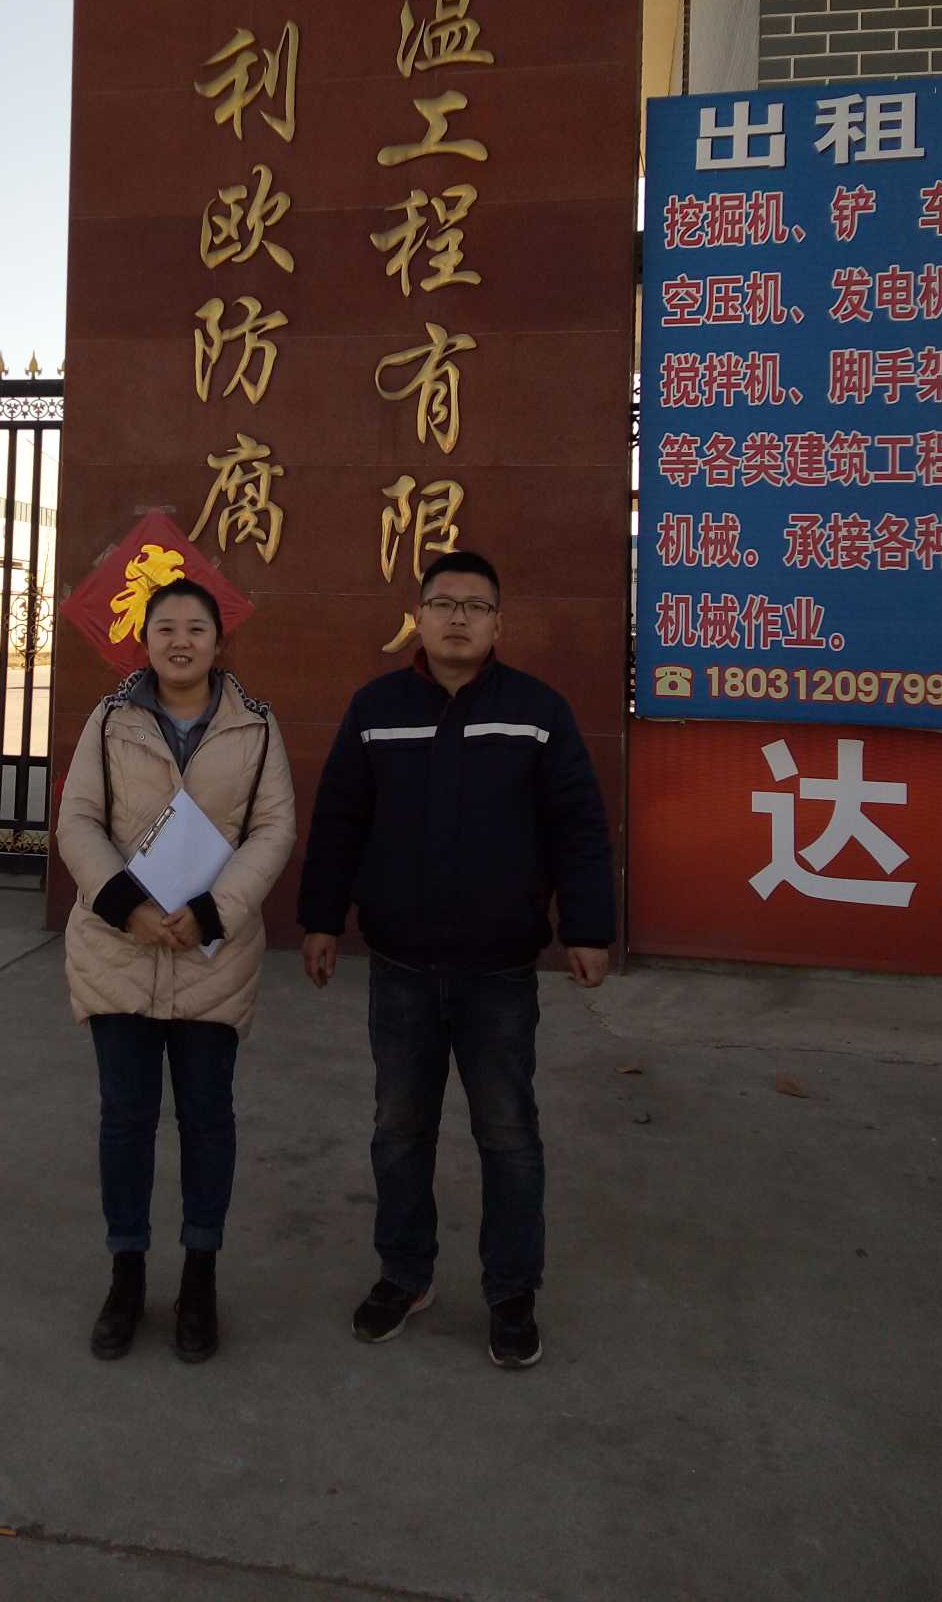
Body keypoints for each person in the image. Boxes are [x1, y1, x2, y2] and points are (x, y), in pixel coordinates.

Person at [296, 550, 614, 1370]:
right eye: (444, 603)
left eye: (476, 606)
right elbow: (338, 822)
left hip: (499, 973)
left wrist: (586, 928)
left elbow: (578, 827)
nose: (459, 619)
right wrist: (321, 921)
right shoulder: (376, 709)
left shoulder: (537, 711)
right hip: (400, 966)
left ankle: (511, 1291)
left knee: (508, 1136)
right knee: (399, 1130)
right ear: (420, 616)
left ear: (500, 623)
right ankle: (404, 1274)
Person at [56, 577, 295, 1365]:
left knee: (206, 1119)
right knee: (125, 1119)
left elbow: (273, 828)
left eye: (196, 627)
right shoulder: (110, 718)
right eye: (166, 627)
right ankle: (126, 1274)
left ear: (219, 643)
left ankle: (200, 1276)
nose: (181, 640)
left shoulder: (255, 725)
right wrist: (124, 902)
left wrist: (215, 911)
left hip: (210, 957)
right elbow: (77, 820)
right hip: (119, 950)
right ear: (146, 639)